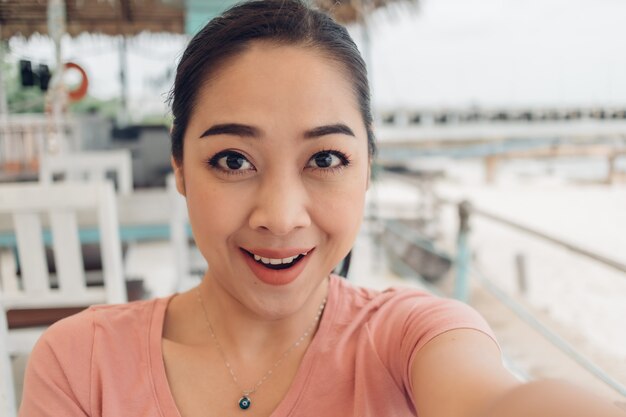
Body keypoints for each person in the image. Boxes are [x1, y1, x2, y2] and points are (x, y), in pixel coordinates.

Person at [18, 1, 624, 416]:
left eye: (326, 159)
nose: (280, 217)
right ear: (179, 168)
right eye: (233, 159)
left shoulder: (413, 339)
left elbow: (497, 402)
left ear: (368, 169)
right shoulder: (82, 363)